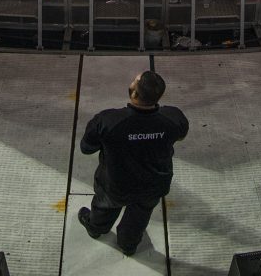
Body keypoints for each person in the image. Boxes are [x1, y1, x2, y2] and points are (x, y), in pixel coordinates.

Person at [77, 70, 189, 257]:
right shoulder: (173, 117)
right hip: (154, 185)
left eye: (134, 81)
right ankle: (128, 245)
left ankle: (96, 228)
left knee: (104, 208)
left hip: (115, 185)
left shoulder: (108, 121)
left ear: (135, 94)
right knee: (139, 216)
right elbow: (181, 135)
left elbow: (86, 148)